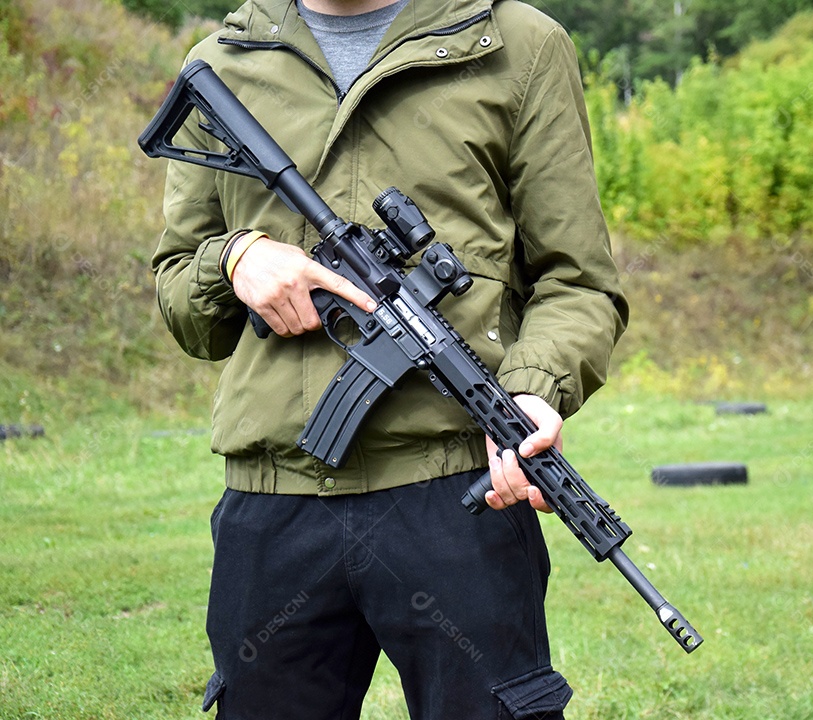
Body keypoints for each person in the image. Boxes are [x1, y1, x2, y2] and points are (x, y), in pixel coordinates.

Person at [150, 0, 628, 716]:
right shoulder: (227, 58)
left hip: (459, 496)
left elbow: (579, 281)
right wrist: (235, 258)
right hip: (275, 504)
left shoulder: (516, 43)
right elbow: (184, 302)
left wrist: (531, 394)